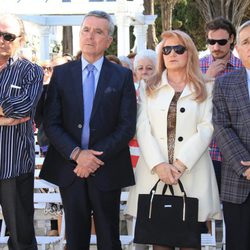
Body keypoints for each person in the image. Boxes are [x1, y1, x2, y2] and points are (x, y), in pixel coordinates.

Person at [39, 10, 137, 250]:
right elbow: (51, 122)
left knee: (109, 238)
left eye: (98, 31)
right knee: (75, 239)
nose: (90, 36)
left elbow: (126, 127)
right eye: (86, 29)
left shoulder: (122, 75)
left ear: (108, 41)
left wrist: (92, 158)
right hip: (68, 167)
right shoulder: (61, 74)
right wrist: (77, 155)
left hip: (107, 168)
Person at [126, 30, 221, 250]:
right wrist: (159, 165)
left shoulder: (207, 87)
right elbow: (142, 128)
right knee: (159, 242)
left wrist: (180, 164)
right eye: (166, 49)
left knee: (190, 241)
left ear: (190, 53)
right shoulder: (148, 86)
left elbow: (207, 128)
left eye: (179, 48)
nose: (172, 53)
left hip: (192, 173)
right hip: (154, 175)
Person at [0, 14, 43, 249]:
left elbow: (25, 107)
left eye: (8, 36)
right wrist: (5, 116)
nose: (1, 40)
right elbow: (14, 109)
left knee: (21, 236)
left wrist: (13, 111)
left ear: (21, 39)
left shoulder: (31, 71)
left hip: (14, 164)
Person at [213, 20, 250, 250]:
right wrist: (246, 167)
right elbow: (221, 128)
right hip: (238, 183)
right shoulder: (225, 84)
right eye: (247, 42)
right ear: (238, 49)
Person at [199, 17, 243, 191]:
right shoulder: (197, 67)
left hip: (235, 153)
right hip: (204, 152)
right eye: (211, 42)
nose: (216, 47)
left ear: (232, 39)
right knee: (203, 211)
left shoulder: (242, 68)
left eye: (221, 42)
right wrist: (207, 78)